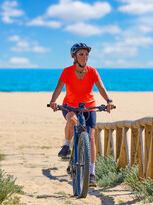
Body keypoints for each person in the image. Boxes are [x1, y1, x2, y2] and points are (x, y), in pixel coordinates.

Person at [49, 43, 115, 187]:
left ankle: (91, 173)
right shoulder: (67, 71)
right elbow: (59, 88)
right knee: (72, 119)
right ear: (74, 57)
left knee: (91, 138)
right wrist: (53, 101)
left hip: (89, 107)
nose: (85, 57)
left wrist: (109, 101)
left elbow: (101, 87)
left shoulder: (92, 71)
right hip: (70, 106)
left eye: (86, 54)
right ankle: (67, 145)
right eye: (81, 54)